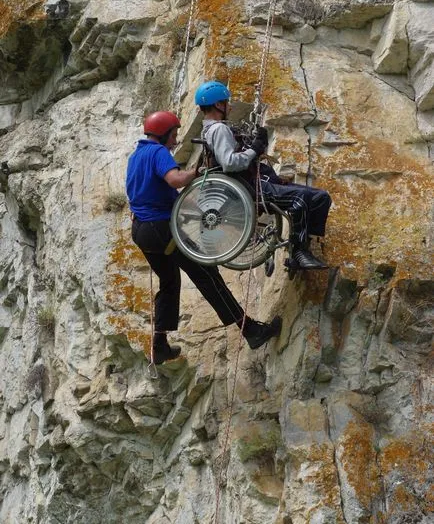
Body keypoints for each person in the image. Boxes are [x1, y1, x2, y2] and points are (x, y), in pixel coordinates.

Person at [126, 110, 282, 364]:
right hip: (161, 227)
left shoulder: (136, 156)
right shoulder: (157, 153)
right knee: (206, 274)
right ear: (164, 133)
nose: (176, 140)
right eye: (174, 134)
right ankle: (251, 331)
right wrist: (195, 173)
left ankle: (160, 343)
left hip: (141, 230)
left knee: (169, 281)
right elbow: (175, 179)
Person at [195, 81, 332, 270]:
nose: (231, 106)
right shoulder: (218, 129)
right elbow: (229, 163)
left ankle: (303, 247)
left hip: (254, 181)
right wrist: (254, 149)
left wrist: (253, 146)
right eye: (227, 102)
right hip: (247, 187)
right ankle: (299, 253)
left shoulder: (216, 129)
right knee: (299, 199)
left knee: (320, 197)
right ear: (219, 105)